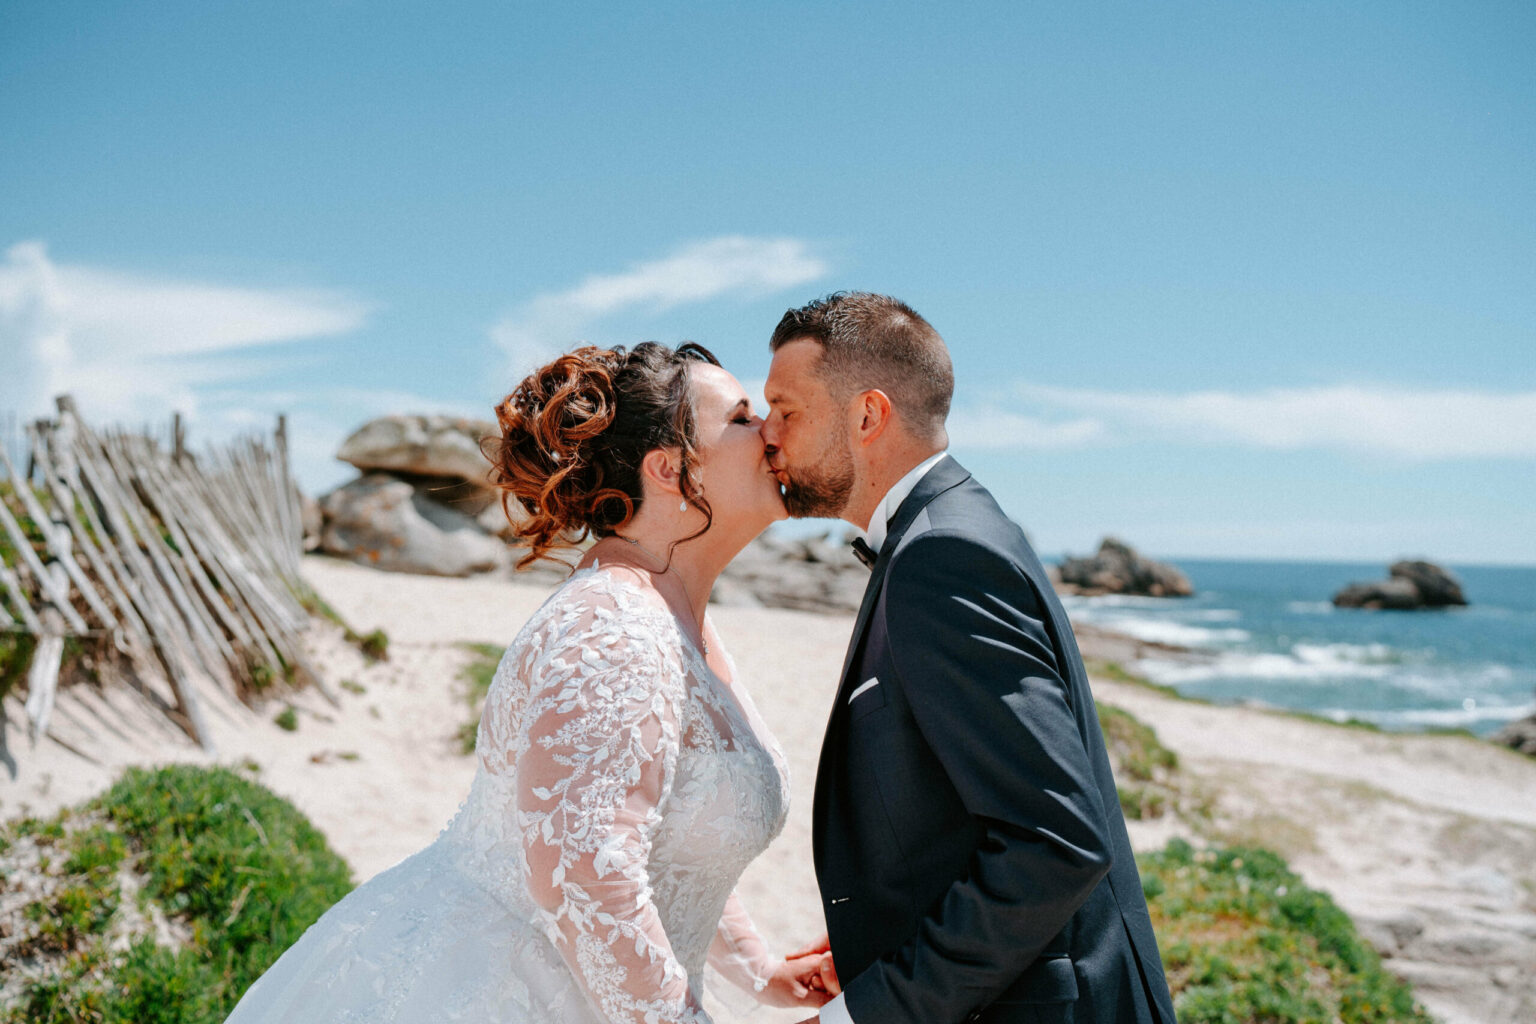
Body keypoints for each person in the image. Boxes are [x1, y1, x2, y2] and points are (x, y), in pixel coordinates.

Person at [225, 341, 830, 1023]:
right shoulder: (614, 627)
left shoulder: (679, 618)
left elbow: (671, 838)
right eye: (744, 417)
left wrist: (761, 972)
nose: (772, 434)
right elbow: (585, 874)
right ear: (670, 470)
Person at [760, 294, 1177, 1024]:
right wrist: (885, 933)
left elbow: (1055, 840)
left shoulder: (942, 554)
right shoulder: (951, 528)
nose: (768, 434)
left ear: (866, 416)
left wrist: (874, 1010)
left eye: (785, 409)